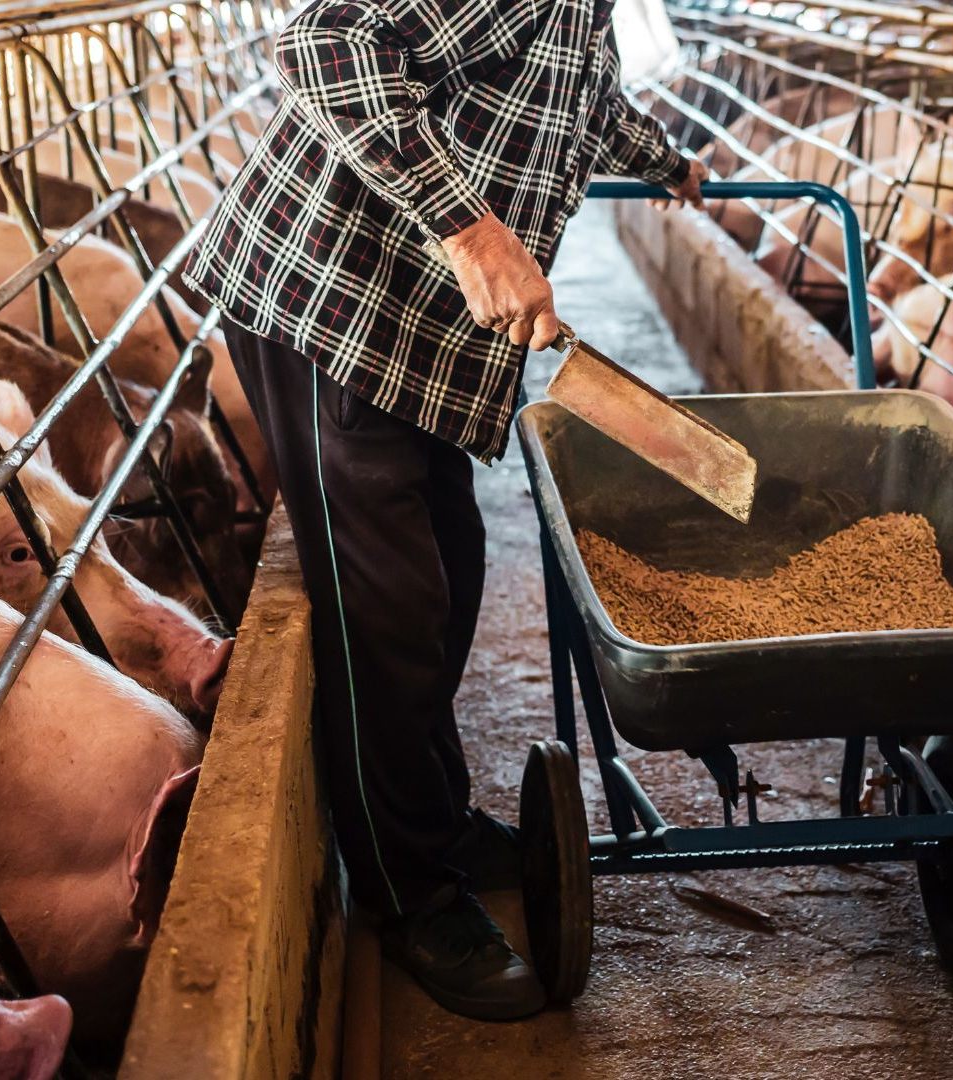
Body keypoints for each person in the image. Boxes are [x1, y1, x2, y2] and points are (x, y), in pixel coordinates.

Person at [184, 0, 707, 1022]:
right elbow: (325, 43)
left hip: (421, 340)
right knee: (385, 617)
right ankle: (409, 891)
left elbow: (577, 97)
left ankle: (430, 818)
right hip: (340, 307)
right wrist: (470, 229)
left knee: (453, 569)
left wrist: (665, 161)